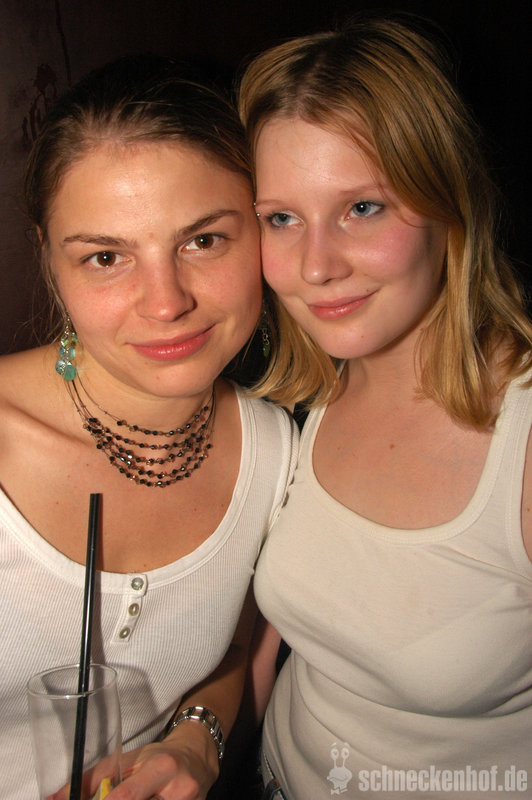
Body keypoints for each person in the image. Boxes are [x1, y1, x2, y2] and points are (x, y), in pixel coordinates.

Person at [238, 15, 532, 799]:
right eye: (281, 218)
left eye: (362, 208)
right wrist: (206, 749)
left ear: (449, 198)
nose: (316, 266)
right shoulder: (310, 394)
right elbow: (284, 622)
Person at [0, 54, 298, 800]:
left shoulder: (276, 451)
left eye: (204, 241)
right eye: (106, 256)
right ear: (50, 259)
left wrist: (196, 740)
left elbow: (237, 648)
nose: (165, 303)